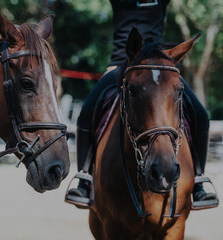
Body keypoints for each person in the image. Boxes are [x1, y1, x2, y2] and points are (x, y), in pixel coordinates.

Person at [66, 0, 218, 209]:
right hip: (122, 63)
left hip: (160, 64)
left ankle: (200, 179)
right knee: (87, 112)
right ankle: (84, 177)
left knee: (200, 114)